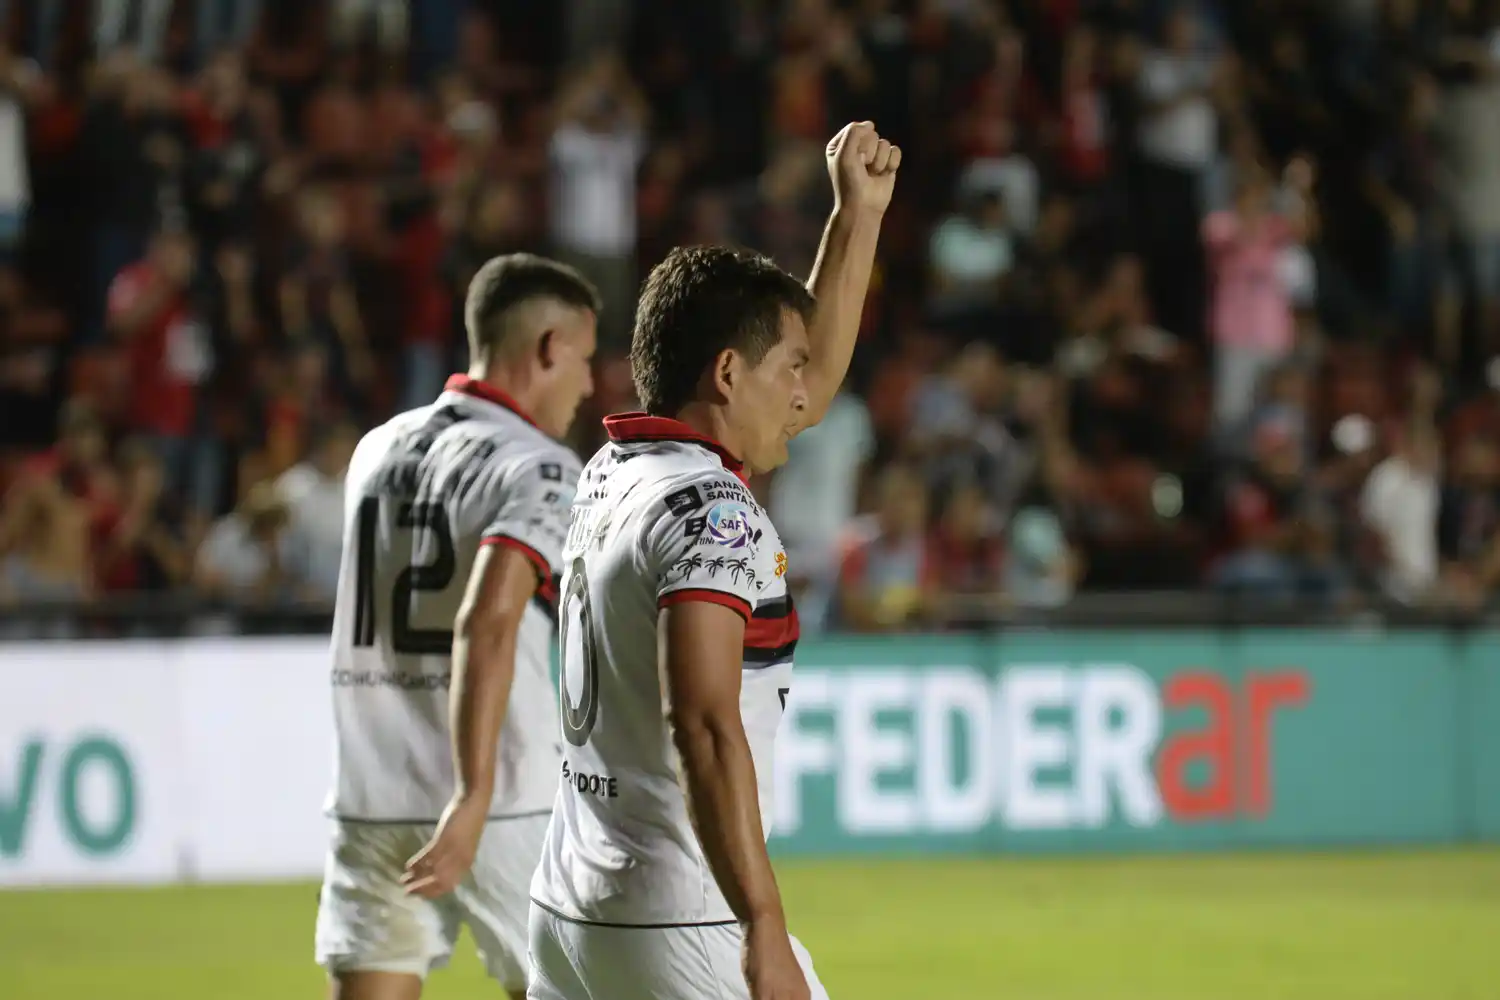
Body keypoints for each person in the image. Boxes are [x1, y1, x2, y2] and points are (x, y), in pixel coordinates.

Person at [527, 121, 900, 1000]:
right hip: (679, 917)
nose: (808, 394)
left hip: (571, 908)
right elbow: (702, 723)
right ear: (729, 375)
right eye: (790, 370)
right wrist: (763, 927)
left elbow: (806, 388)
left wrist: (857, 218)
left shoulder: (614, 471)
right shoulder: (715, 516)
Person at [315, 254, 600, 1000]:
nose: (590, 384)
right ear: (547, 348)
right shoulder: (539, 467)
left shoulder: (375, 450)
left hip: (374, 793)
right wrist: (472, 795)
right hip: (502, 793)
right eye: (585, 357)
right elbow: (490, 618)